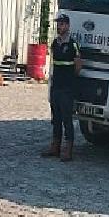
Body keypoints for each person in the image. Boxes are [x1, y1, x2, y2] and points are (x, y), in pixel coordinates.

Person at [40, 14, 82, 162]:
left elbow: (78, 65)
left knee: (67, 119)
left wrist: (71, 79)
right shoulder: (55, 43)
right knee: (55, 118)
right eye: (58, 24)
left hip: (67, 88)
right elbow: (52, 64)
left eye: (62, 24)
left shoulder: (72, 44)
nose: (59, 27)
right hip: (56, 86)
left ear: (68, 26)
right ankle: (55, 147)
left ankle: (68, 149)